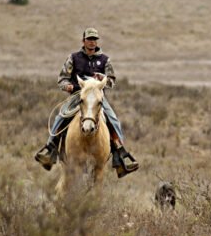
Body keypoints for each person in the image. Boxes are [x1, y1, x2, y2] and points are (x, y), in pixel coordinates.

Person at [34, 27, 139, 178]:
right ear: (83, 41)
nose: (92, 42)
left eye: (94, 40)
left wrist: (102, 79)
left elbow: (112, 81)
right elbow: (62, 78)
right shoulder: (74, 58)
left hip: (97, 96)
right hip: (78, 94)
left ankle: (121, 155)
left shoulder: (104, 60)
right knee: (61, 116)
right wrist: (67, 85)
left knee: (113, 119)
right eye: (89, 39)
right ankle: (50, 148)